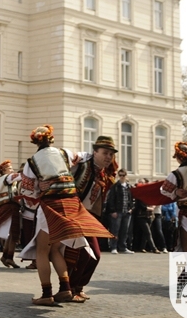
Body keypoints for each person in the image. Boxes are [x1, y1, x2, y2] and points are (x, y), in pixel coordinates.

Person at [19, 125, 113, 306]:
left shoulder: (32, 162)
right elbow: (85, 156)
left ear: (35, 142)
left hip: (51, 206)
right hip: (71, 203)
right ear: (51, 140)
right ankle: (65, 288)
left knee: (42, 250)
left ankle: (46, 294)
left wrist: (40, 189)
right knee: (55, 249)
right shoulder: (65, 153)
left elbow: (28, 191)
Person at [68, 136, 118, 301]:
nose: (109, 157)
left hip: (91, 218)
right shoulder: (81, 165)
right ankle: (70, 288)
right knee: (86, 254)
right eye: (105, 153)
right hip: (75, 214)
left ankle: (78, 286)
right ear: (94, 151)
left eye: (111, 154)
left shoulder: (105, 173)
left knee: (94, 254)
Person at [106, 169, 134, 254]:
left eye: (123, 175)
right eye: (120, 175)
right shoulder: (115, 186)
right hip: (117, 211)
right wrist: (112, 211)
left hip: (127, 211)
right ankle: (113, 247)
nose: (121, 177)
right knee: (115, 230)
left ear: (126, 176)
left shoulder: (129, 187)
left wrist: (131, 208)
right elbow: (111, 199)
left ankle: (123, 247)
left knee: (125, 231)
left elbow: (131, 199)